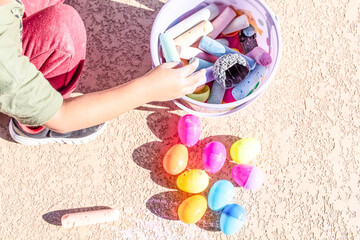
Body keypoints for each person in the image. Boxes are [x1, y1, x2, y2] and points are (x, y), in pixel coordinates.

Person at [0, 0, 205, 145]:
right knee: (63, 31)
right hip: (12, 73)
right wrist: (150, 89)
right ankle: (33, 126)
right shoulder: (5, 64)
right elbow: (62, 116)